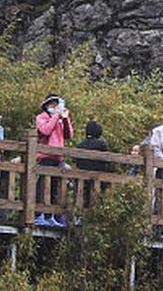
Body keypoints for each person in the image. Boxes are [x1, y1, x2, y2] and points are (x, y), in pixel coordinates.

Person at [33, 95, 74, 225]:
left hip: (58, 158)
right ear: (46, 106)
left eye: (56, 104)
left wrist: (66, 119)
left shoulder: (60, 120)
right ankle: (39, 215)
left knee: (54, 188)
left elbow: (69, 135)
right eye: (51, 104)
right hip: (45, 157)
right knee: (43, 186)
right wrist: (56, 116)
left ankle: (50, 216)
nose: (54, 107)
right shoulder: (41, 118)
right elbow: (45, 130)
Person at [74, 120, 112, 207]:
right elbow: (108, 160)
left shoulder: (80, 145)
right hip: (98, 177)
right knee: (97, 198)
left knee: (84, 199)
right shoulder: (102, 145)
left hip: (82, 179)